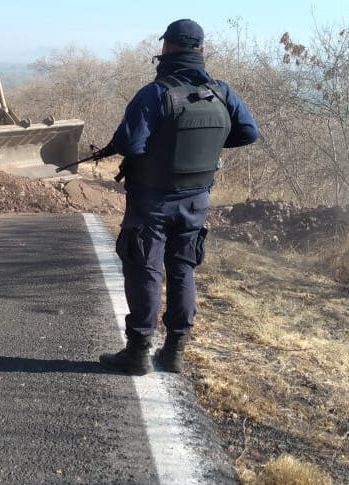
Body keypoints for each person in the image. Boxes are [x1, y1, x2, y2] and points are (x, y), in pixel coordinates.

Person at [98, 19, 259, 375]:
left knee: (145, 269)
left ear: (167, 48)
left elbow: (131, 143)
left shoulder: (154, 94)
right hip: (197, 200)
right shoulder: (222, 92)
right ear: (200, 50)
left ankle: (139, 352)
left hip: (153, 201)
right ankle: (174, 353)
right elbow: (248, 132)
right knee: (183, 269)